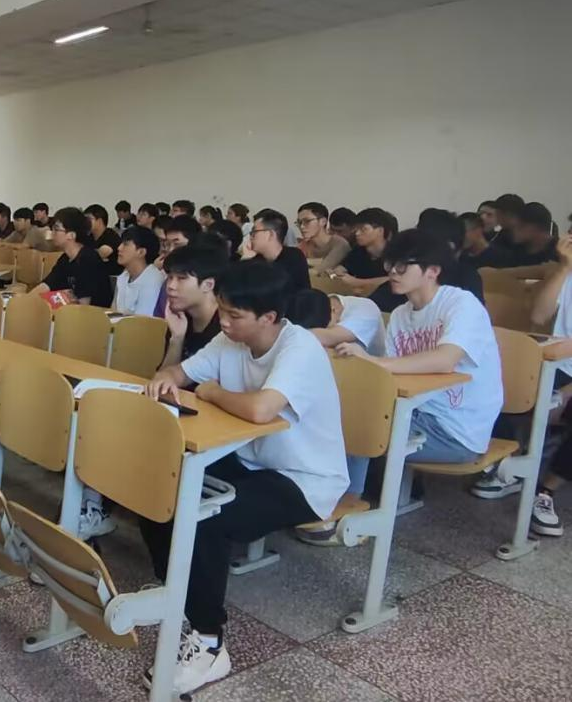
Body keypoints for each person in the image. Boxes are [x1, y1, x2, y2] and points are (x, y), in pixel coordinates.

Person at [141, 260, 348, 695]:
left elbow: (259, 410)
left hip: (303, 477)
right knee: (159, 481)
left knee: (206, 519)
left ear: (268, 317)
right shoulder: (230, 338)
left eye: (235, 315)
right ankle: (174, 591)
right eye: (223, 310)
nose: (224, 321)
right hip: (251, 458)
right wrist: (165, 380)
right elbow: (180, 374)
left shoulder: (300, 348)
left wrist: (211, 391)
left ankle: (209, 642)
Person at [330, 230, 502, 529]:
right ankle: (341, 502)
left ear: (432, 271)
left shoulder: (461, 304)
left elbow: (446, 359)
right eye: (390, 265)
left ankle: (347, 509)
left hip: (456, 428)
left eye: (402, 266)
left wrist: (373, 361)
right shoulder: (400, 314)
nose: (392, 273)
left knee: (359, 426)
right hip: (416, 413)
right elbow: (395, 376)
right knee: (342, 415)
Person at [476, 233, 572, 534]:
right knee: (502, 382)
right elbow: (540, 315)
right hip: (556, 364)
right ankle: (508, 463)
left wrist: (565, 393)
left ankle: (546, 490)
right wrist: (564, 268)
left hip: (565, 374)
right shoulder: (565, 274)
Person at [156, 243, 228, 369]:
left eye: (181, 278)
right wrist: (177, 339)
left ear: (208, 285)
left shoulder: (227, 325)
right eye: (170, 277)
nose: (171, 286)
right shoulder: (179, 318)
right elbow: (163, 377)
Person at [31, 207, 113, 307]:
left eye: (56, 229)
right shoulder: (65, 258)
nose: (52, 233)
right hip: (73, 310)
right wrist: (27, 299)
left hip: (94, 313)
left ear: (71, 235)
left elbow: (84, 305)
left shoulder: (88, 260)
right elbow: (47, 285)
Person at [241, 209, 309, 300]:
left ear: (270, 234)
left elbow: (270, 290)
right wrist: (245, 260)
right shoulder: (257, 257)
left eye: (254, 232)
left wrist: (247, 264)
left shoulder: (294, 257)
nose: (250, 237)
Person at [335, 207, 397, 296]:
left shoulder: (397, 252)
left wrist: (357, 282)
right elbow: (341, 269)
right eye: (356, 229)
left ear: (380, 230)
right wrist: (338, 273)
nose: (357, 233)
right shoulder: (358, 251)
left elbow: (395, 279)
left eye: (363, 229)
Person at [112, 227, 164, 316]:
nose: (119, 248)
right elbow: (112, 312)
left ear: (141, 252)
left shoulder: (153, 280)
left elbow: (143, 321)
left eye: (126, 244)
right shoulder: (123, 276)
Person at [296, 202, 350, 271]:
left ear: (323, 221)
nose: (302, 226)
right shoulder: (302, 246)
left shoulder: (339, 244)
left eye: (307, 221)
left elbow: (321, 269)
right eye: (299, 222)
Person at [84, 204, 121, 275]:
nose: (85, 222)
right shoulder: (88, 237)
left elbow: (100, 254)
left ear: (99, 221)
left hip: (111, 277)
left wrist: (87, 254)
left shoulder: (111, 235)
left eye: (88, 219)